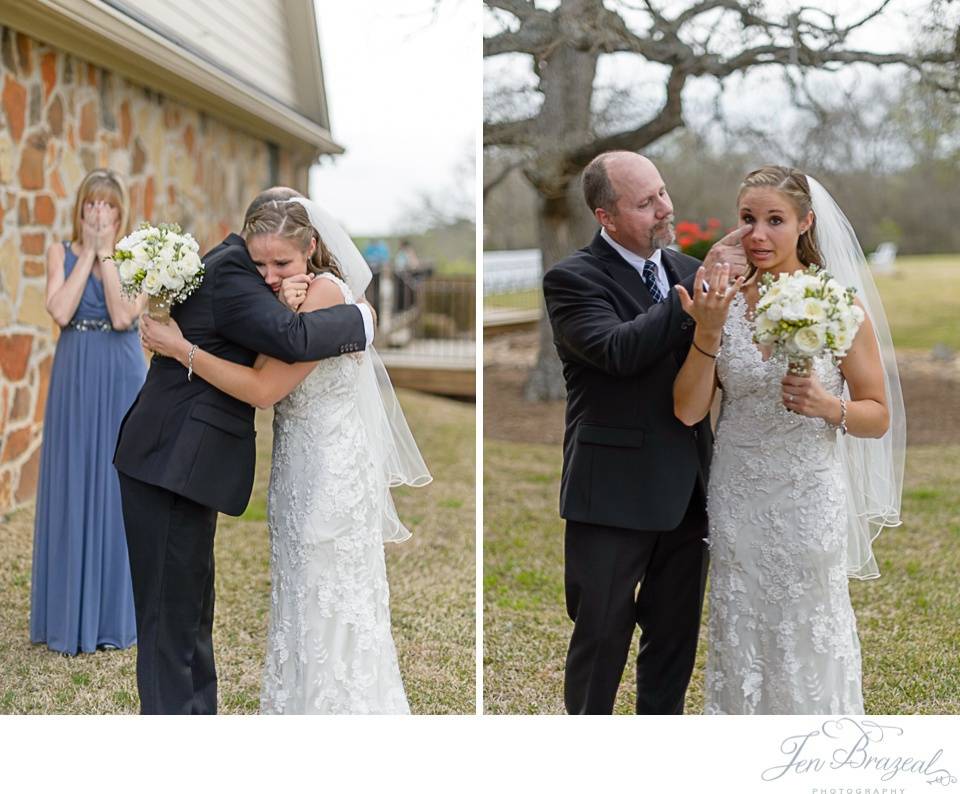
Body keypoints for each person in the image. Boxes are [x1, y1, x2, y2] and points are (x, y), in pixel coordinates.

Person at [139, 197, 430, 714]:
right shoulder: (296, 298)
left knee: (327, 602)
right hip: (299, 467)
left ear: (311, 248)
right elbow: (268, 337)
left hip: (328, 473)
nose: (270, 277)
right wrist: (287, 305)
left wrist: (180, 347)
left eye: (282, 264)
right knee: (300, 602)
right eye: (260, 265)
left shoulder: (322, 296)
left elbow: (263, 386)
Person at [673, 165, 904, 714]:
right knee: (741, 627)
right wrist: (706, 332)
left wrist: (830, 407)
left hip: (807, 495)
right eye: (748, 219)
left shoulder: (839, 307)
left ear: (805, 223)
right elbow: (687, 411)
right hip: (737, 493)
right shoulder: (720, 301)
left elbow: (878, 415)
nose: (758, 234)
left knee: (808, 626)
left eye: (775, 220)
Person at [541, 151, 748, 714]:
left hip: (690, 490)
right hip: (612, 491)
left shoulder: (686, 270)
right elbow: (617, 350)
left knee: (674, 641)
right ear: (606, 217)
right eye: (645, 202)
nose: (665, 208)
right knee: (601, 637)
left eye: (662, 192)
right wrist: (695, 298)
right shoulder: (572, 279)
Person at [31, 169, 146, 655]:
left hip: (120, 374)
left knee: (117, 486)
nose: (99, 215)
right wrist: (85, 257)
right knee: (74, 480)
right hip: (76, 372)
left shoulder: (135, 257)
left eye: (108, 208)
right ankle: (67, 615)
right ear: (79, 210)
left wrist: (105, 255)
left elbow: (123, 315)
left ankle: (111, 616)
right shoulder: (60, 252)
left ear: (121, 214)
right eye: (91, 206)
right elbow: (59, 310)